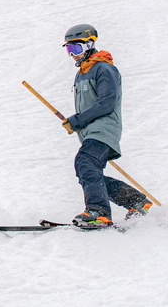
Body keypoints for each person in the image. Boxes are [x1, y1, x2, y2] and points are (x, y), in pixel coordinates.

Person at [60, 24, 151, 229]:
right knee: (89, 171)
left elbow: (107, 102)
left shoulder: (104, 68)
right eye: (69, 50)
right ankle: (136, 202)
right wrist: (76, 123)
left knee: (86, 163)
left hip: (104, 129)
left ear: (90, 45)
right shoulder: (82, 73)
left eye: (76, 49)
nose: (73, 55)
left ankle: (98, 212)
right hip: (91, 132)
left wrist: (79, 120)